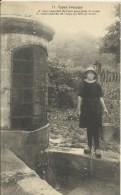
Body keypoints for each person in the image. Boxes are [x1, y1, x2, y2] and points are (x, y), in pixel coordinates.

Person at [77, 66, 108, 158]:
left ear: (94, 75)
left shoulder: (97, 85)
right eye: (88, 73)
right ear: (86, 75)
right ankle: (89, 146)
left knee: (96, 127)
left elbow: (100, 98)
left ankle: (97, 148)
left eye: (92, 73)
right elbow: (79, 97)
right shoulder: (82, 84)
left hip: (96, 108)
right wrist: (78, 109)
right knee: (89, 127)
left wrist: (105, 108)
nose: (90, 75)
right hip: (86, 108)